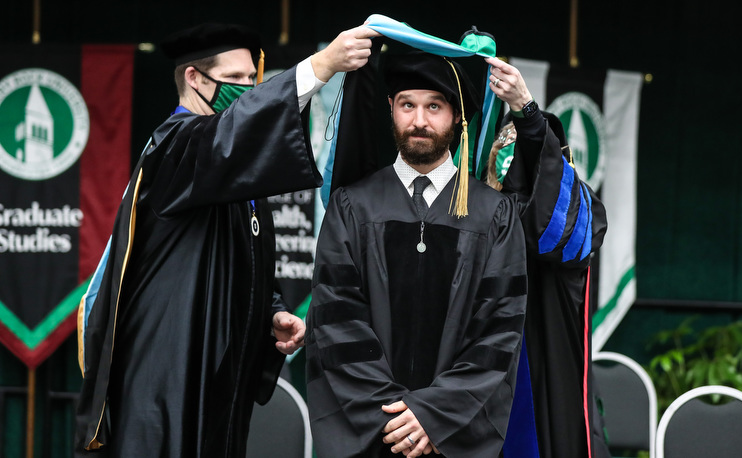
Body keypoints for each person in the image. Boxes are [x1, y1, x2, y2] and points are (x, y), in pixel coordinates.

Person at [74, 22, 380, 457]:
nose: (248, 90)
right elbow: (235, 132)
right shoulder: (175, 145)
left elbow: (233, 264)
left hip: (215, 376)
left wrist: (269, 313)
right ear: (195, 79)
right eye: (235, 79)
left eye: (252, 80)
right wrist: (321, 66)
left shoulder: (229, 174)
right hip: (166, 377)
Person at [305, 51, 527, 458]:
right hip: (373, 431)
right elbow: (336, 320)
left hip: (452, 434)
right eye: (408, 104)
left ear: (457, 118)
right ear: (390, 108)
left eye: (434, 106)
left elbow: (498, 331)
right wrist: (396, 417)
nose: (419, 121)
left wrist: (433, 414)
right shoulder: (353, 206)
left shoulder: (492, 214)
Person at [483, 56, 611, 458]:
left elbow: (545, 214)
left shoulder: (575, 210)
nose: (511, 167)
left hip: (541, 376)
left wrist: (528, 114)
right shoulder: (464, 213)